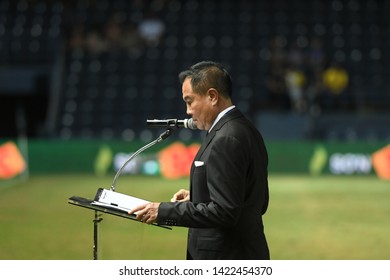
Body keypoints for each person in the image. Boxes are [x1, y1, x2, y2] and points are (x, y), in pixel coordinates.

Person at [129, 61, 270, 260]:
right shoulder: (245, 129)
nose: (187, 111)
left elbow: (225, 211)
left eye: (189, 101)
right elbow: (255, 200)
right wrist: (199, 194)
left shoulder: (226, 138)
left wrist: (163, 211)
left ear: (212, 96)